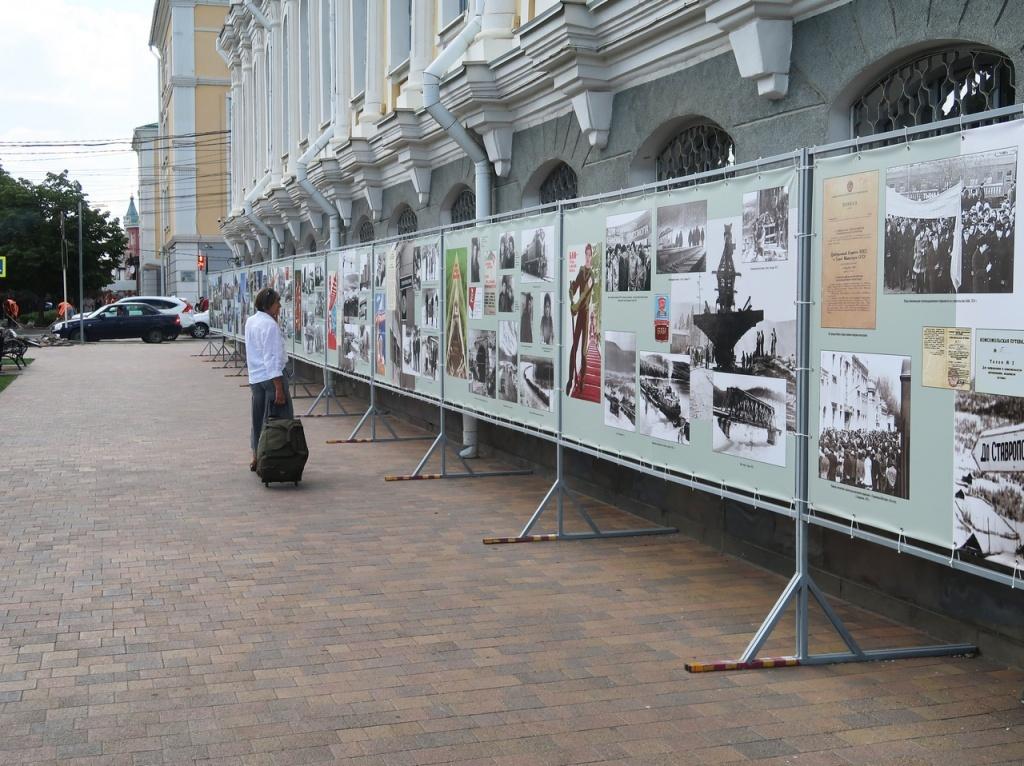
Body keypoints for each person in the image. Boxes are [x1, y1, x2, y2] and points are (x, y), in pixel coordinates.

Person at [246, 287, 292, 473]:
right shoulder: (270, 326)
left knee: (258, 420)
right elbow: (272, 358)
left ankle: (257, 455)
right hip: (272, 379)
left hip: (256, 378)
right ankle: (275, 457)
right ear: (268, 305)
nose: (279, 306)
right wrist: (279, 388)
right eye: (277, 303)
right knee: (279, 421)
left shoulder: (251, 321)